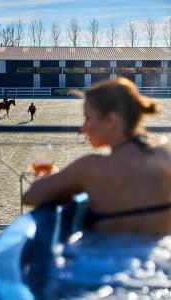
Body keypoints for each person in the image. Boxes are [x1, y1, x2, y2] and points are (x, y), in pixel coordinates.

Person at [23, 77, 171, 236]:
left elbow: (31, 197)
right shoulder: (166, 153)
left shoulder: (90, 167)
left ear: (110, 120)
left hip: (107, 256)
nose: (82, 128)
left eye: (87, 118)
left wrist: (48, 174)